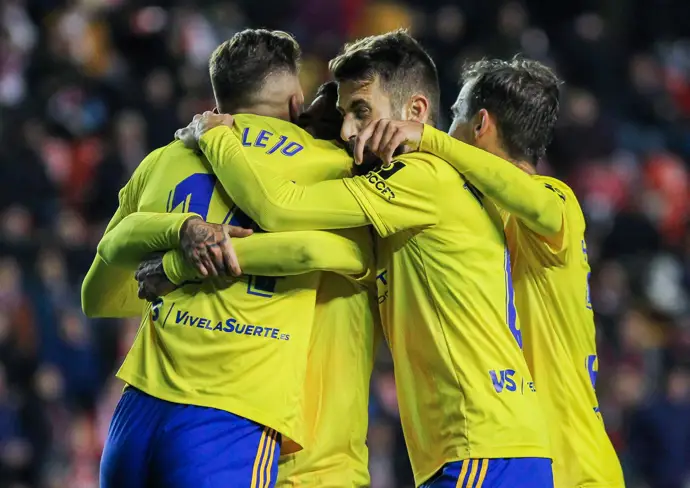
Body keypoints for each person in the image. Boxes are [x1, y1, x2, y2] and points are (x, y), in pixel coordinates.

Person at [176, 30, 553, 488]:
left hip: (481, 447)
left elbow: (279, 207)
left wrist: (216, 136)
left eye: (361, 111)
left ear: (416, 112)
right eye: (344, 115)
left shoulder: (419, 177)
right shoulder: (430, 185)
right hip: (491, 445)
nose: (348, 130)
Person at [81, 30, 375, 488]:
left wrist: (177, 270)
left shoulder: (166, 157)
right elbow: (328, 253)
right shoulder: (334, 168)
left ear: (219, 99)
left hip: (136, 414)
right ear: (296, 101)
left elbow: (97, 297)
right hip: (230, 418)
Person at [355, 56, 625, 488]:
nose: (444, 131)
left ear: (480, 124)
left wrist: (430, 141)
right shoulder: (468, 213)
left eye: (454, 116)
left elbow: (534, 203)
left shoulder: (552, 198)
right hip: (525, 461)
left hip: (572, 466)